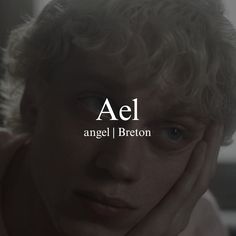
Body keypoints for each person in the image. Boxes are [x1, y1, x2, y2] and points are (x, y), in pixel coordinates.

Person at [0, 0, 235, 235]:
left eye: (173, 132)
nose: (120, 165)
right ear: (32, 100)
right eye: (98, 105)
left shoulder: (201, 227)